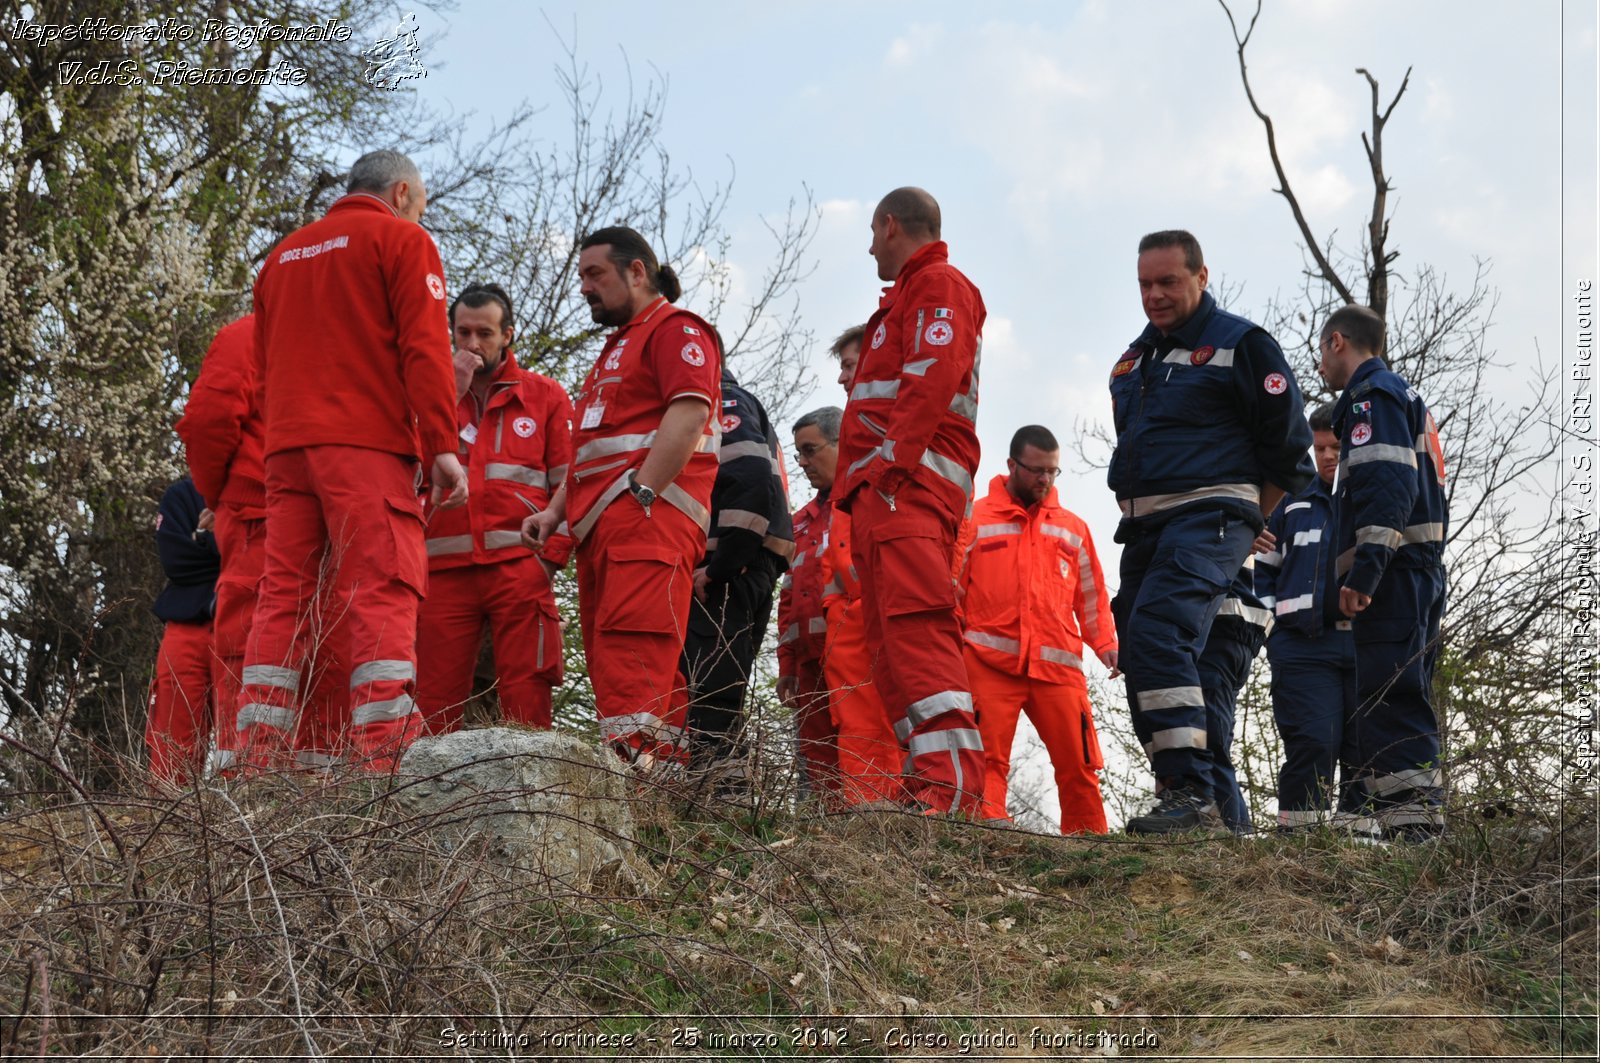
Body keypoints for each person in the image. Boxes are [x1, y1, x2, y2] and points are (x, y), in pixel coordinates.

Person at [236, 149, 467, 772]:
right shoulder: (401, 241)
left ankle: (258, 753)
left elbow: (261, 368)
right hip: (365, 447)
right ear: (400, 194)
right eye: (420, 206)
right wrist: (441, 446)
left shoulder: (281, 257)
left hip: (286, 451)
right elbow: (424, 350)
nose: (420, 217)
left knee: (283, 593)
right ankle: (383, 751)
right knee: (380, 585)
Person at [1108, 229, 1314, 833]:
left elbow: (1291, 453)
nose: (1155, 295)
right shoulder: (1132, 359)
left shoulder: (1244, 344)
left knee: (1159, 631)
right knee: (1140, 648)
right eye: (1145, 283)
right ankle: (1181, 795)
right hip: (1144, 527)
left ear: (1201, 275)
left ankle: (1194, 796)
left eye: (1168, 281)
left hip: (1210, 515)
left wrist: (1249, 514)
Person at [520, 226, 720, 769]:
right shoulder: (618, 347)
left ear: (637, 272)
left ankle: (636, 795)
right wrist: (555, 511)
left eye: (595, 274)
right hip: (606, 526)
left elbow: (690, 412)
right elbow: (593, 449)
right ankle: (661, 795)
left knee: (633, 656)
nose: (584, 286)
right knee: (623, 660)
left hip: (644, 523)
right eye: (582, 275)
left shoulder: (675, 330)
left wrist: (643, 493)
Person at [834, 187, 986, 815]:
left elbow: (934, 371)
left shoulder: (939, 285)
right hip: (885, 496)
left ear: (890, 225)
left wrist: (892, 468)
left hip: (908, 491)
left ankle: (948, 787)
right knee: (892, 645)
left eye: (872, 233)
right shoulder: (907, 297)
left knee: (918, 632)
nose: (869, 247)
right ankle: (926, 779)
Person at [178, 315, 348, 772]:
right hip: (337, 513)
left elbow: (208, 420)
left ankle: (249, 778)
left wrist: (222, 494)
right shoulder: (349, 329)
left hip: (260, 513)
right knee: (327, 645)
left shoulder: (250, 332)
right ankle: (318, 787)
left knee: (250, 640)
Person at [415, 283, 573, 733]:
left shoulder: (546, 396)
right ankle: (428, 799)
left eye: (484, 332)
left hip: (521, 566)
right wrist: (447, 392)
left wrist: (549, 562)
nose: (472, 344)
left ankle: (533, 796)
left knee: (528, 694)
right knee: (432, 699)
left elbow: (570, 483)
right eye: (462, 332)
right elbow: (407, 472)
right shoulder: (429, 398)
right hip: (443, 570)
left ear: (508, 335)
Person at [1318, 304, 1449, 841]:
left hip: (1395, 574)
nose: (1322, 369)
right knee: (1401, 693)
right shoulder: (1405, 397)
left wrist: (1364, 574)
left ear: (1337, 342)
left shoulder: (1371, 399)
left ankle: (1414, 833)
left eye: (1322, 353)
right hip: (1416, 571)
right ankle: (1409, 825)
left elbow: (1385, 488)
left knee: (1390, 698)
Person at [956, 426, 1118, 834]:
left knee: (1080, 765)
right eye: (1036, 471)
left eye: (1052, 471)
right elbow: (953, 588)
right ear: (1012, 465)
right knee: (984, 761)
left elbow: (1092, 594)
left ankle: (1090, 849)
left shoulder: (1073, 527)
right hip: (988, 663)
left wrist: (1106, 644)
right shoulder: (974, 518)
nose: (1045, 480)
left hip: (1057, 668)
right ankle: (986, 842)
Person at [681, 363, 795, 778]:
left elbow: (747, 476)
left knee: (710, 692)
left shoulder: (722, 399)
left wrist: (721, 564)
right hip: (748, 563)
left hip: (728, 568)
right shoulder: (743, 404)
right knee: (719, 691)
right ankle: (717, 801)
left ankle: (716, 806)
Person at [1254, 402, 1357, 829]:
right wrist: (1272, 630)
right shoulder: (1291, 502)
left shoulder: (1374, 499)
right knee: (1312, 743)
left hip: (1363, 645)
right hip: (1299, 648)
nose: (1328, 456)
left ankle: (1361, 852)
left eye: (1336, 446)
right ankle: (1296, 850)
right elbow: (1262, 571)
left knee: (1364, 749)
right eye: (1320, 449)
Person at [818, 327, 908, 805]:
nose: (840, 377)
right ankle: (868, 822)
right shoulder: (858, 430)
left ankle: (905, 825)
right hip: (849, 614)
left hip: (893, 599)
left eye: (849, 366)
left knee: (903, 717)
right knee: (855, 725)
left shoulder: (903, 421)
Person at [777, 405, 843, 800]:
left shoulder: (861, 507)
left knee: (863, 751)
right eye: (798, 453)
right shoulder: (800, 520)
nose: (802, 462)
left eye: (810, 450)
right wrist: (787, 664)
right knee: (816, 770)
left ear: (842, 444)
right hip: (807, 666)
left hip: (853, 657)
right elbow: (788, 596)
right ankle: (825, 844)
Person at [146, 477, 220, 785]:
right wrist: (218, 541)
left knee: (246, 736)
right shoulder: (182, 493)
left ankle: (251, 820)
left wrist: (202, 538)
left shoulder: (264, 487)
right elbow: (177, 561)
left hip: (246, 622)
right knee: (172, 743)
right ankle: (167, 821)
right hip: (186, 627)